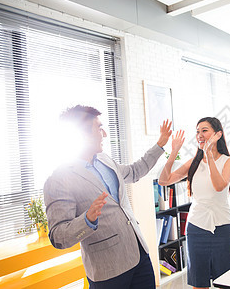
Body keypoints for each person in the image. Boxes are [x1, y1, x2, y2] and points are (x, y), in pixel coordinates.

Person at [43, 105, 172, 288]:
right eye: (99, 127)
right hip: (107, 270)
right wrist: (87, 219)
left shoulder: (104, 159)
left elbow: (135, 172)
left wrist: (160, 144)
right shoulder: (59, 179)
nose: (104, 134)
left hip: (138, 255)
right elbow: (58, 236)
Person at [158, 117, 230, 289]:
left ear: (218, 134)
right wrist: (174, 152)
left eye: (204, 130)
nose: (200, 135)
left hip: (222, 227)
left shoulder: (228, 161)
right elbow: (164, 181)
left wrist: (209, 155)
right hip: (197, 228)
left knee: (227, 281)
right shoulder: (193, 163)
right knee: (199, 283)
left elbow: (219, 186)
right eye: (197, 131)